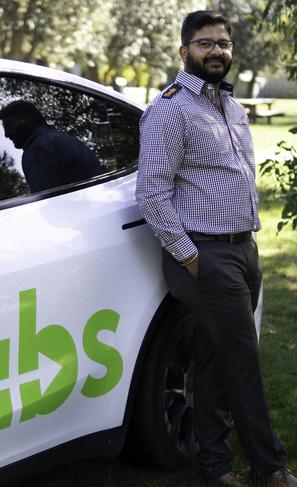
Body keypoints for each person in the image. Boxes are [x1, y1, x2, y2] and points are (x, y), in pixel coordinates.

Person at [136, 10, 296, 487]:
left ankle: (214, 463)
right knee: (242, 361)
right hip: (205, 256)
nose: (217, 51)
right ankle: (271, 467)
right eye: (205, 44)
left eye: (223, 43)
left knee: (213, 359)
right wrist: (188, 255)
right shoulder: (169, 109)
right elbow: (151, 192)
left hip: (242, 248)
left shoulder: (228, 106)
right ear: (184, 51)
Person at [0, 99, 103, 193]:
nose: (6, 134)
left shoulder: (38, 149)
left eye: (9, 125)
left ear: (28, 120)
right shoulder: (63, 140)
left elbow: (49, 204)